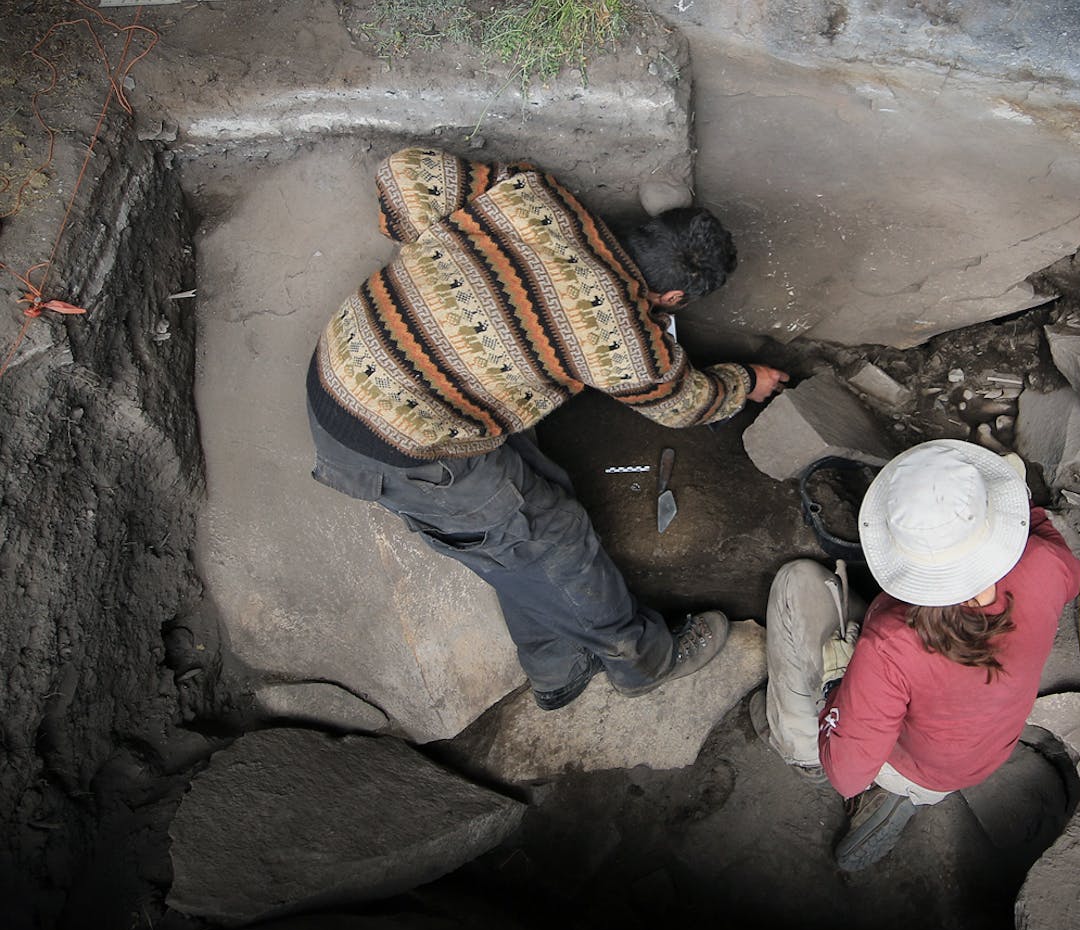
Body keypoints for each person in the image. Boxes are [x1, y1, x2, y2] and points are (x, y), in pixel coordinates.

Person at [306, 147, 788, 711]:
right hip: (391, 446)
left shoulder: (537, 196)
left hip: (343, 358)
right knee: (552, 539)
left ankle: (556, 668)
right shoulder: (620, 336)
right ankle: (642, 661)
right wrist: (744, 379)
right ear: (673, 299)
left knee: (527, 508)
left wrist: (442, 262)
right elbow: (685, 404)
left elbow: (402, 171)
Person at [760, 439, 1080, 870]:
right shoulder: (1048, 562)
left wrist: (838, 686)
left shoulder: (892, 643)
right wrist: (1008, 488)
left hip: (906, 759)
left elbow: (847, 774)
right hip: (985, 751)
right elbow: (1045, 540)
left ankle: (811, 754)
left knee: (795, 581)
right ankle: (912, 794)